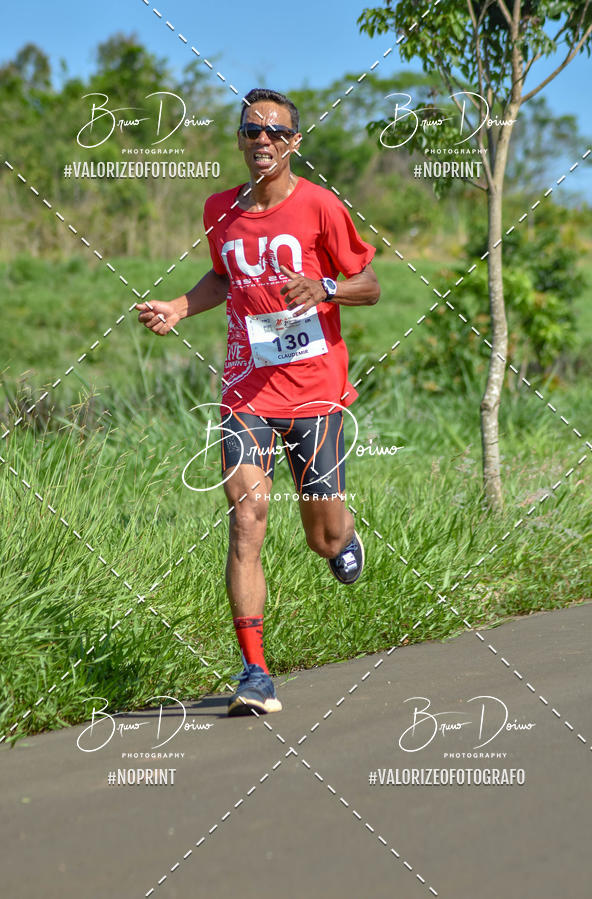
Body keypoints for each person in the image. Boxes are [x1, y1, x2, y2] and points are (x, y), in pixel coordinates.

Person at [136, 88, 380, 716]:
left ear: (295, 143)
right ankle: (255, 672)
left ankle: (343, 534)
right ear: (240, 141)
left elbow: (370, 284)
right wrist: (177, 308)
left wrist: (325, 285)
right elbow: (223, 277)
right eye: (252, 132)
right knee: (246, 521)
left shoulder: (321, 206)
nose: (263, 141)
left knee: (322, 539)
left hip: (316, 392)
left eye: (276, 133)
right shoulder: (221, 210)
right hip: (246, 390)